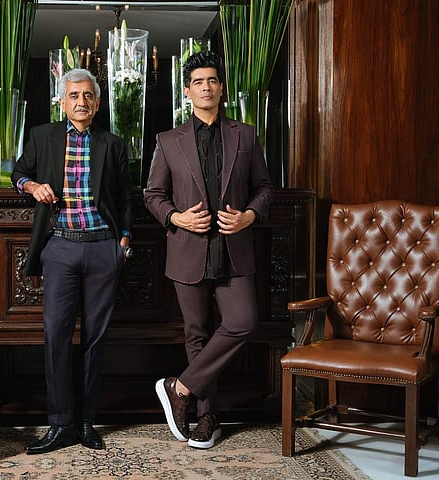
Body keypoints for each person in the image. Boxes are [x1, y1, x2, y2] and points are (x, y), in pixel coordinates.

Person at [144, 51, 273, 449]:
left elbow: (265, 188)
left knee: (243, 322)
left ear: (221, 88)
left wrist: (249, 216)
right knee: (196, 336)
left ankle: (179, 387)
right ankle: (207, 418)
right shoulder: (169, 141)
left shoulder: (245, 135)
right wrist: (176, 218)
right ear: (187, 91)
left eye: (212, 81)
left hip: (235, 249)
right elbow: (152, 194)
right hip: (189, 250)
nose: (206, 87)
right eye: (198, 82)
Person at [11, 68, 133, 454]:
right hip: (60, 247)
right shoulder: (42, 136)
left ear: (97, 103)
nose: (82, 102)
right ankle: (60, 423)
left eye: (88, 96)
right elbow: (18, 172)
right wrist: (32, 186)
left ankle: (86, 422)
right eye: (74, 96)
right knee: (56, 336)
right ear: (62, 101)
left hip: (102, 248)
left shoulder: (112, 144)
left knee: (95, 338)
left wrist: (123, 240)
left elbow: (125, 195)